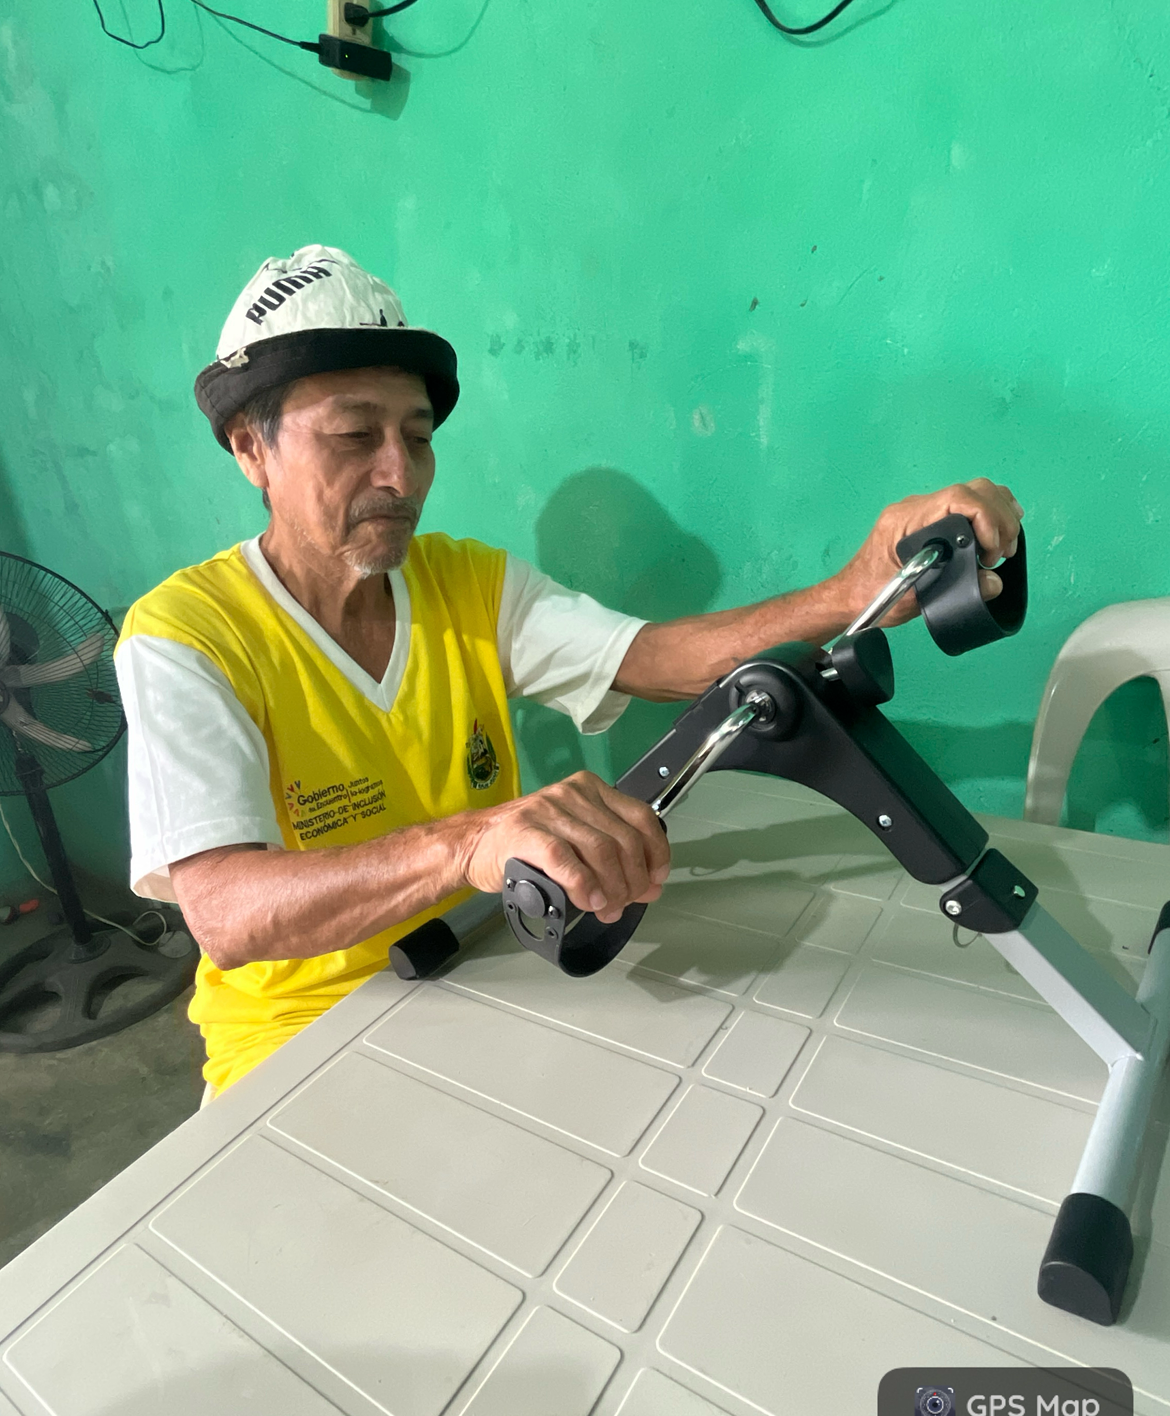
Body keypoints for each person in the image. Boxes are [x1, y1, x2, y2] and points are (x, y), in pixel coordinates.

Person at [114, 245, 1023, 1098]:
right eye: (354, 435)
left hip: (477, 967)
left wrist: (853, 591)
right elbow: (226, 914)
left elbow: (652, 658)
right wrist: (470, 843)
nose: (400, 474)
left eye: (418, 437)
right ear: (252, 449)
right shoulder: (186, 636)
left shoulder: (468, 582)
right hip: (294, 1043)